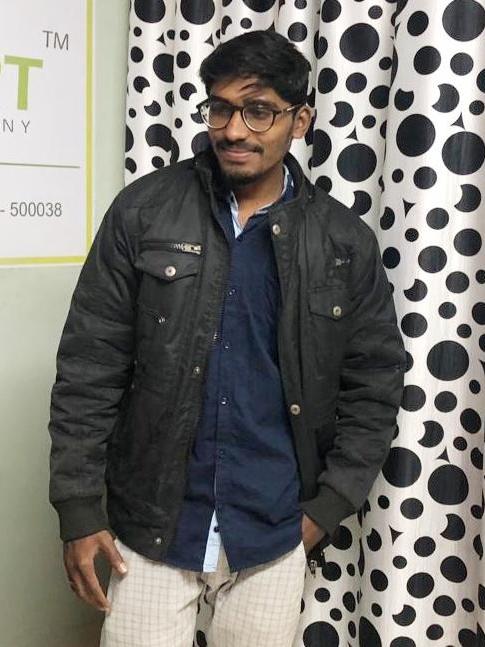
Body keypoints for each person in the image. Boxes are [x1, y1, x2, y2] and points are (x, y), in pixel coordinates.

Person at [49, 30, 406, 647]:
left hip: (273, 529)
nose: (234, 129)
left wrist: (326, 509)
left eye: (258, 110)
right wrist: (78, 508)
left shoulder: (343, 241)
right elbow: (89, 365)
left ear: (300, 121)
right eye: (220, 108)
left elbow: (374, 383)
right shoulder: (143, 211)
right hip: (154, 525)